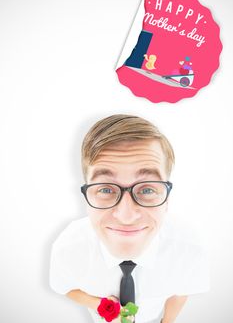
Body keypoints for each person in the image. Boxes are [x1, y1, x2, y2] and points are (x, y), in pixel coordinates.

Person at [49, 114, 209, 323]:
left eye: (148, 189)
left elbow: (181, 289)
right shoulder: (68, 247)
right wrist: (99, 305)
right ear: (86, 198)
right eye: (105, 188)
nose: (126, 216)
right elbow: (65, 287)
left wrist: (167, 322)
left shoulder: (188, 248)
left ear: (167, 198)